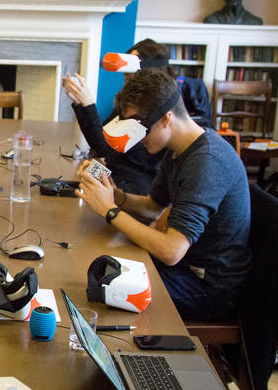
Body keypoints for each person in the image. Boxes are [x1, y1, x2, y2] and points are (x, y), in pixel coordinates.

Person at [76, 69, 251, 321]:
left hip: (208, 287)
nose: (134, 139)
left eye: (140, 129)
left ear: (166, 119)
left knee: (101, 292)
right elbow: (152, 207)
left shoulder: (207, 162)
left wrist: (109, 211)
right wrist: (115, 195)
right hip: (185, 268)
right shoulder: (180, 148)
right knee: (96, 265)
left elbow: (171, 251)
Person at [64, 39, 213, 194]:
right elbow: (102, 143)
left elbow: (106, 149)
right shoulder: (134, 101)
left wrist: (87, 104)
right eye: (125, 78)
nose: (126, 83)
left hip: (135, 184)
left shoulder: (155, 107)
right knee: (73, 182)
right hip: (115, 170)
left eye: (130, 77)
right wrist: (80, 103)